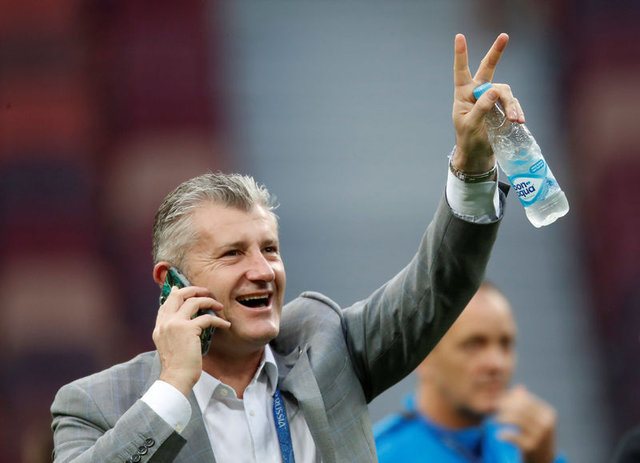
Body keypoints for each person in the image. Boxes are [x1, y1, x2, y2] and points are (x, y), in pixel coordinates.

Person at [51, 33, 521, 462]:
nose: (263, 271)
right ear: (171, 279)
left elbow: (442, 282)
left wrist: (472, 162)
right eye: (233, 253)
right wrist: (173, 387)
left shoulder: (326, 346)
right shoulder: (96, 404)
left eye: (270, 249)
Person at [373, 282, 566, 463]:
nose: (497, 364)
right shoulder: (378, 456)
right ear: (423, 356)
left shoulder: (523, 445)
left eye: (505, 344)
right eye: (473, 344)